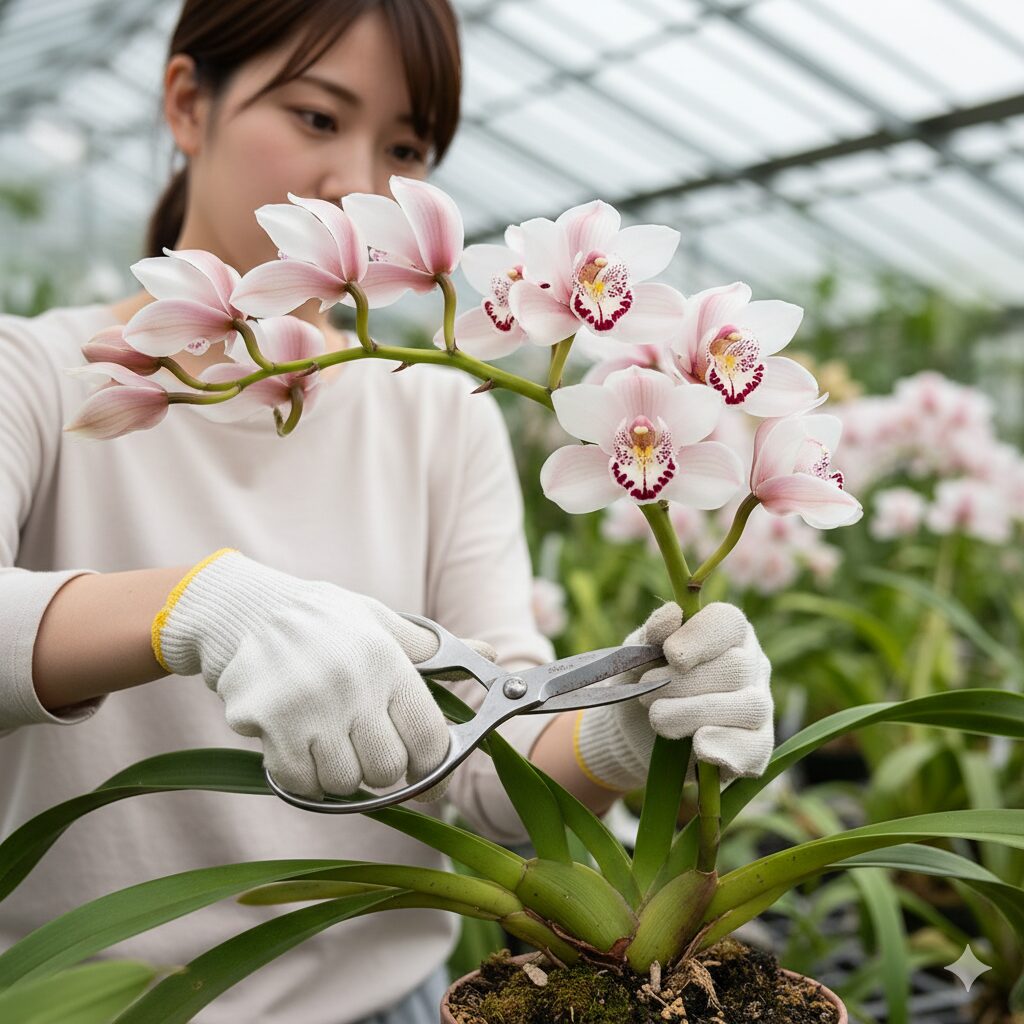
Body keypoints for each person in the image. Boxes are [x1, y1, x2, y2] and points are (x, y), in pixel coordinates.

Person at [0, 2, 774, 1022]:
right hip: (86, 996)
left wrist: (620, 732)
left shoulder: (438, 406)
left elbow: (489, 775)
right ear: (188, 105)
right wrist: (194, 609)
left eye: (404, 147)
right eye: (318, 118)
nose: (358, 187)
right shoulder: (39, 378)